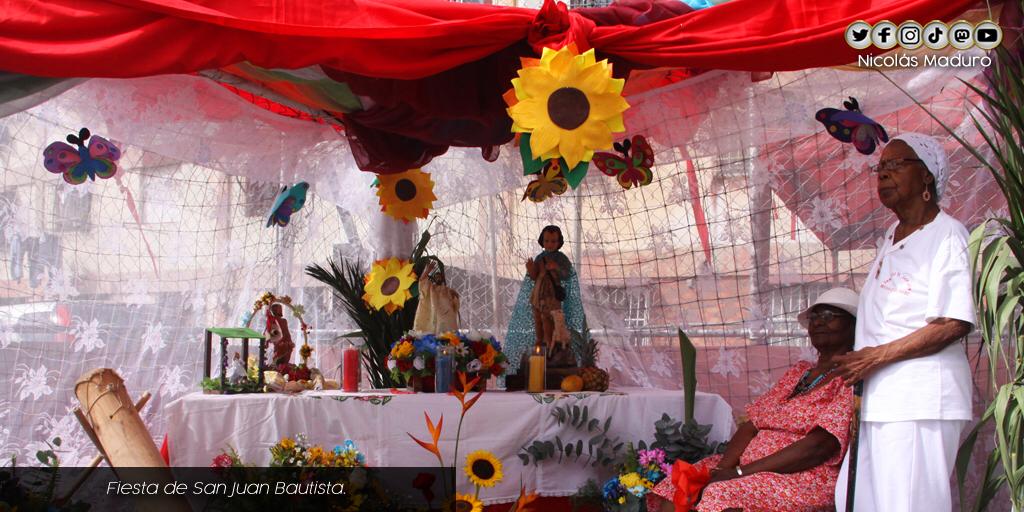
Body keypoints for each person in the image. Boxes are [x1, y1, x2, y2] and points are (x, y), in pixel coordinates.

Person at [832, 133, 975, 511]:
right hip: (882, 399)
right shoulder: (892, 236)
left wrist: (874, 357)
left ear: (927, 176)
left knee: (907, 504)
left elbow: (953, 322)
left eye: (897, 165)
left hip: (920, 400)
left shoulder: (947, 235)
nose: (884, 175)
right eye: (881, 168)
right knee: (861, 500)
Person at [649, 287, 859, 512]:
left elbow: (819, 446)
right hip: (748, 469)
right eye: (814, 317)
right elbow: (751, 426)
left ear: (854, 325)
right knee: (680, 484)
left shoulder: (852, 378)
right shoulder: (799, 372)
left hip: (804, 476)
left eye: (828, 316)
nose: (817, 323)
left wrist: (739, 474)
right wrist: (721, 470)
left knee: (721, 494)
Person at [505, 225, 586, 372]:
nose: (549, 244)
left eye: (553, 241)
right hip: (538, 292)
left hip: (551, 294)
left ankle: (549, 342)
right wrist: (531, 269)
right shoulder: (540, 257)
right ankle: (539, 339)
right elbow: (534, 276)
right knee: (537, 316)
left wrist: (556, 267)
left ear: (559, 242)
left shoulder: (561, 258)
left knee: (548, 318)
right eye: (547, 241)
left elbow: (567, 274)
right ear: (542, 241)